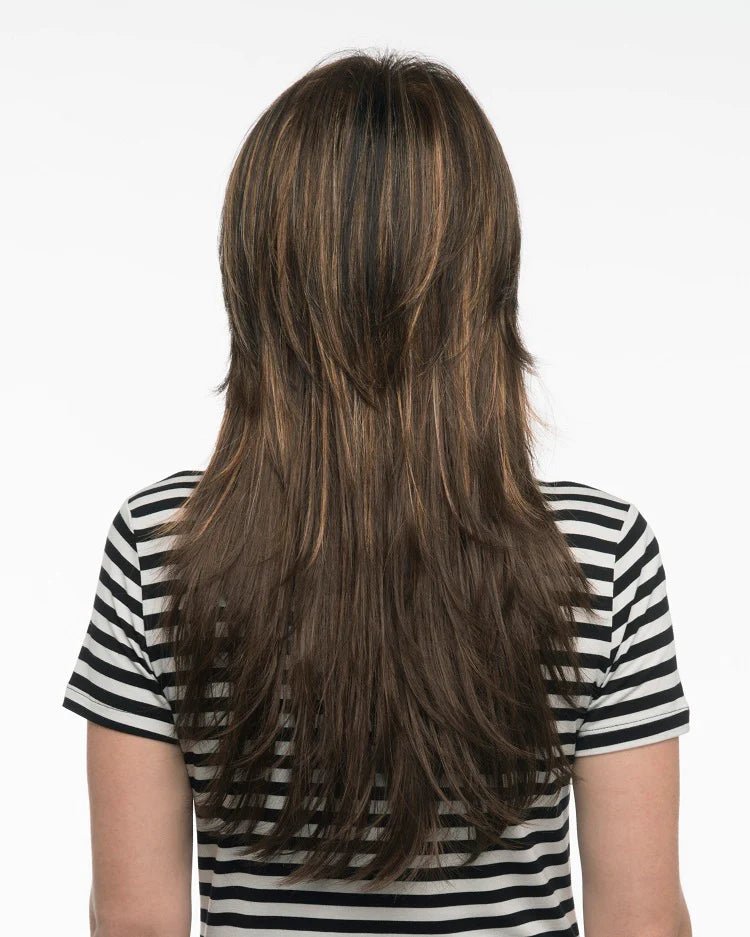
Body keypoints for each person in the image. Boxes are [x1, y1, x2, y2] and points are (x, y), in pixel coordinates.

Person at [61, 50, 692, 937]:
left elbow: (134, 924)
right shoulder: (597, 554)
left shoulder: (163, 546)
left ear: (258, 278)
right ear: (485, 277)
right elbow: (643, 923)